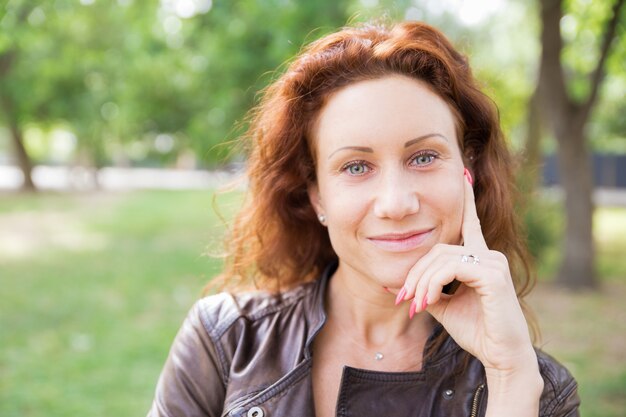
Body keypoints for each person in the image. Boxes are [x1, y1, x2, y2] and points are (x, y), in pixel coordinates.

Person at [147, 21, 579, 417]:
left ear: (467, 171)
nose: (395, 203)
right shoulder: (225, 341)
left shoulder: (539, 387)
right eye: (356, 166)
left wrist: (509, 377)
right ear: (316, 194)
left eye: (424, 157)